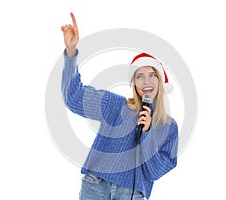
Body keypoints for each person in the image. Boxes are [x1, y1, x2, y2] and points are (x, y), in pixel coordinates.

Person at [61, 12, 178, 200]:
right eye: (139, 76)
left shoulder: (169, 128)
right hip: (96, 187)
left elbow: (155, 172)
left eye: (152, 75)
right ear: (134, 84)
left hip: (132, 194)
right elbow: (72, 97)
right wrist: (71, 53)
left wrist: (146, 133)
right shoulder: (116, 105)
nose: (146, 81)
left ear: (160, 81)